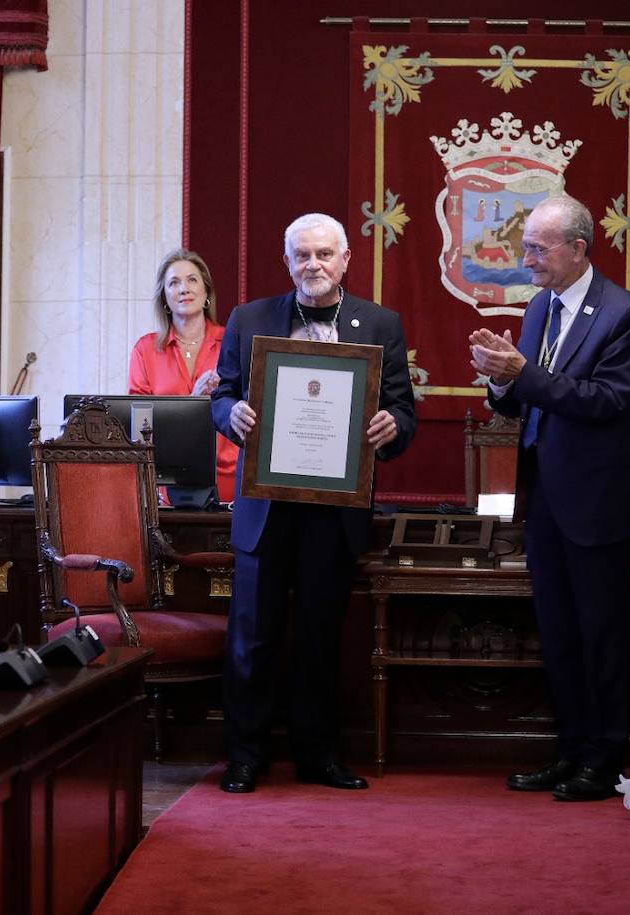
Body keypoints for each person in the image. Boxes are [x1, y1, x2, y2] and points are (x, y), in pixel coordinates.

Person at [211, 212, 416, 793]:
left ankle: (318, 756)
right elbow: (222, 395)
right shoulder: (249, 318)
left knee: (322, 639)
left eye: (325, 254)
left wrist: (389, 427)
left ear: (346, 259)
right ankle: (245, 757)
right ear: (287, 261)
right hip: (266, 508)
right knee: (252, 637)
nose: (313, 265)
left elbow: (405, 411)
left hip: (336, 511)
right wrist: (233, 414)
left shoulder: (379, 323)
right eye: (302, 255)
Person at [468, 194, 630, 801]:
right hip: (546, 501)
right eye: (525, 247)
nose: (525, 260)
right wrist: (501, 383)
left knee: (602, 636)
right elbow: (530, 398)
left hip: (600, 505)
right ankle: (569, 751)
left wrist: (522, 374)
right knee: (560, 634)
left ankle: (602, 760)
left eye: (537, 249)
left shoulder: (622, 314)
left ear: (578, 248)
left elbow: (606, 401)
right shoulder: (541, 308)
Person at [128, 248, 238, 503]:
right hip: (169, 484)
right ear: (164, 297)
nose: (184, 288)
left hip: (230, 479)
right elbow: (138, 427)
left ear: (206, 291)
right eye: (174, 283)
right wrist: (194, 401)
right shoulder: (145, 350)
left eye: (192, 280)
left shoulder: (232, 342)